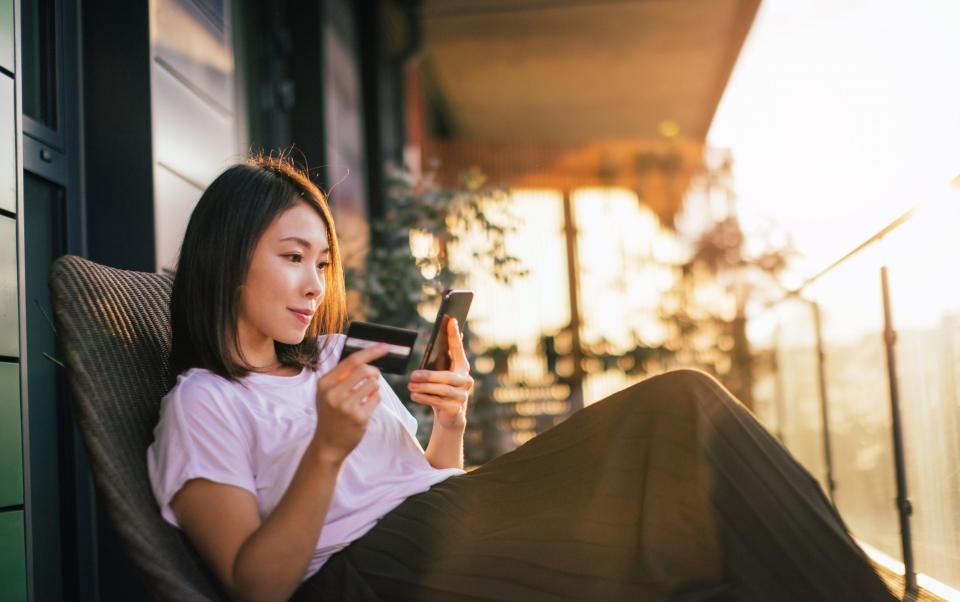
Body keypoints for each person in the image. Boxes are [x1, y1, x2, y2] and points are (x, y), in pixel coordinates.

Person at [147, 155, 896, 602]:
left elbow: (422, 483)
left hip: (442, 531)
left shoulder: (334, 355)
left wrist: (449, 426)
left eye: (322, 262)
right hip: (367, 578)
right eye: (290, 256)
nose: (314, 284)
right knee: (682, 408)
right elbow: (257, 587)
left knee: (694, 518)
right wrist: (325, 452)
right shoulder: (205, 402)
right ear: (229, 255)